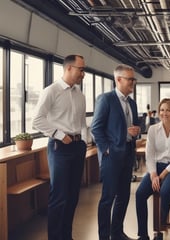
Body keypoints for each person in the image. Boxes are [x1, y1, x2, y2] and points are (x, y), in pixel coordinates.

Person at [32, 54, 87, 240]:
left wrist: (84, 141)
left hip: (78, 147)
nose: (83, 73)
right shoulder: (51, 91)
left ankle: (66, 236)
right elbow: (37, 120)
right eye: (81, 69)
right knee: (60, 196)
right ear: (69, 68)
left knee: (72, 197)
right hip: (59, 148)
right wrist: (59, 134)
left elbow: (81, 122)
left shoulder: (79, 94)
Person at [91, 64, 140, 240]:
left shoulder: (132, 103)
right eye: (130, 79)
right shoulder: (106, 99)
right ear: (118, 80)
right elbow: (96, 129)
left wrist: (135, 131)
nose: (132, 82)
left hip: (127, 153)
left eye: (133, 79)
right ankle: (104, 236)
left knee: (124, 196)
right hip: (111, 156)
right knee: (108, 198)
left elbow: (134, 127)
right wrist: (106, 150)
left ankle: (116, 233)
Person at [136, 98, 170, 240]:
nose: (164, 113)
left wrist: (163, 174)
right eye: (162, 110)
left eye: (168, 110)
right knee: (140, 194)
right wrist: (153, 174)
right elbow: (150, 154)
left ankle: (161, 228)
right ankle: (143, 235)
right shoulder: (153, 129)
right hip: (156, 167)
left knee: (165, 191)